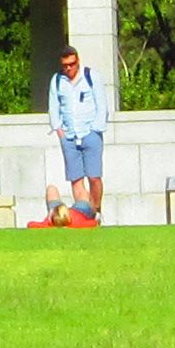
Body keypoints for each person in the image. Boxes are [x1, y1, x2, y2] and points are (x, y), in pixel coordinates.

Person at [43, 41, 111, 225]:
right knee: (76, 179)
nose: (69, 68)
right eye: (65, 65)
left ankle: (95, 211)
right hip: (69, 135)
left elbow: (102, 105)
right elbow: (53, 107)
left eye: (72, 64)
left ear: (78, 61)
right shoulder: (57, 81)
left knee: (94, 177)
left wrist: (96, 129)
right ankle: (84, 216)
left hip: (90, 132)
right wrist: (59, 131)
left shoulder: (91, 76)